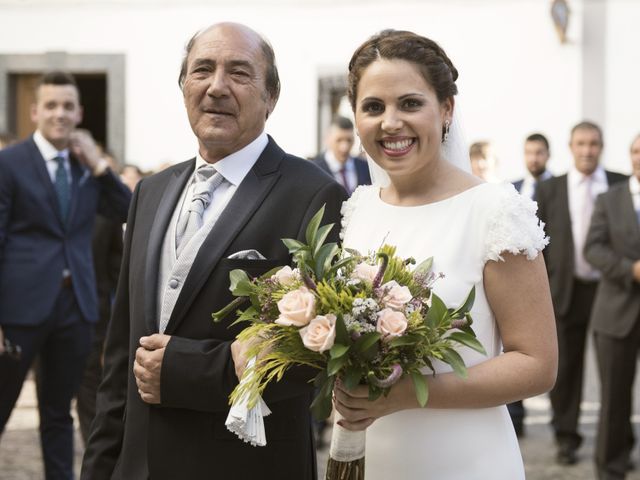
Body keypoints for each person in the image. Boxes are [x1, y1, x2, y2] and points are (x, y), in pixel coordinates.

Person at [81, 22, 346, 480]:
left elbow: (323, 354)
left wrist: (189, 372)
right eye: (202, 70)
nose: (217, 87)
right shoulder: (151, 191)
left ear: (271, 96)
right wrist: (102, 465)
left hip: (243, 464)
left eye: (239, 73)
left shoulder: (313, 195)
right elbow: (123, 351)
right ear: (184, 86)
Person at [334, 29, 557, 480]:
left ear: (447, 109)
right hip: (370, 455)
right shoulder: (359, 209)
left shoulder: (494, 211)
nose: (390, 122)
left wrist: (405, 394)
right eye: (373, 107)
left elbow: (537, 365)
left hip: (466, 459)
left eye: (410, 103)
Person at [0, 71, 131, 479]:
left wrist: (99, 166)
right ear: (35, 110)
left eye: (68, 106)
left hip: (75, 310)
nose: (60, 113)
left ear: (80, 113)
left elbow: (131, 211)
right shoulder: (9, 162)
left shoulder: (85, 166)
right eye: (52, 105)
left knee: (59, 416)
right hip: (18, 312)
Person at [536, 121, 627, 465]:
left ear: (602, 147)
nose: (588, 150)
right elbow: (540, 245)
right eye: (581, 144)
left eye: (594, 144)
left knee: (615, 372)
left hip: (612, 291)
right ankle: (566, 437)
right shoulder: (551, 189)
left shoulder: (619, 184)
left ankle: (620, 439)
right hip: (566, 289)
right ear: (570, 147)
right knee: (566, 370)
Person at [584, 134, 640, 480]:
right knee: (614, 398)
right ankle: (610, 468)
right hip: (616, 312)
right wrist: (630, 270)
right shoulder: (609, 199)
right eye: (636, 150)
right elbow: (593, 249)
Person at [312, 116, 371, 194]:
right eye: (339, 140)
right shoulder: (314, 169)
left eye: (349, 140)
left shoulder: (365, 167)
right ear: (327, 139)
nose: (345, 147)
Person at [513, 133, 553, 200]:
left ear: (548, 154)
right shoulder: (513, 189)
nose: (533, 159)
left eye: (539, 153)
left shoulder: (561, 187)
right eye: (529, 152)